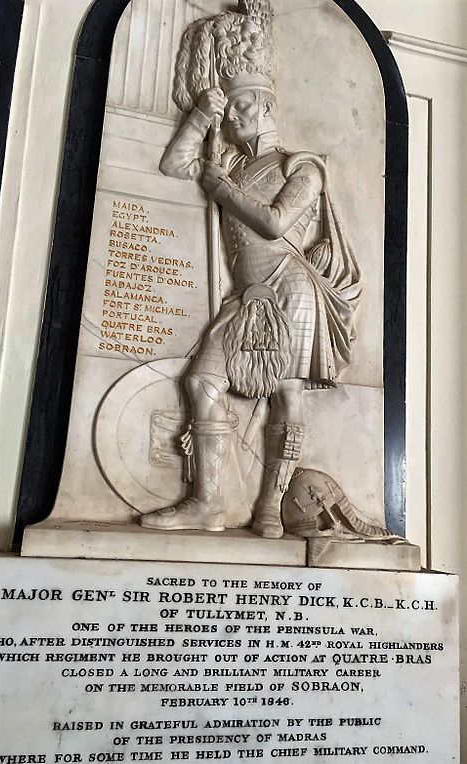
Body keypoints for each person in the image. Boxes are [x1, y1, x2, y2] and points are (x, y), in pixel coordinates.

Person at [141, 3, 360, 539]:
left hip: (292, 287)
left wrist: (220, 186)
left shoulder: (300, 165)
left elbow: (276, 221)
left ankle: (271, 506)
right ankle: (208, 502)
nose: (233, 119)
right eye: (230, 110)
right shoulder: (231, 163)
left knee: (286, 393)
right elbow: (173, 165)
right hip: (246, 294)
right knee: (201, 381)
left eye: (241, 108)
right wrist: (200, 116)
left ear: (265, 108)